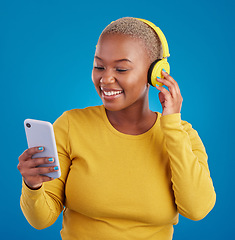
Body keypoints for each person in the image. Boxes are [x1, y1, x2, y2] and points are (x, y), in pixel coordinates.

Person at [18, 17, 216, 240]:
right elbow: (42, 220)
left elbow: (197, 210)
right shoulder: (70, 125)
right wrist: (32, 186)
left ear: (156, 74)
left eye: (121, 69)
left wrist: (171, 125)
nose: (106, 78)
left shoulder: (182, 135)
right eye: (99, 66)